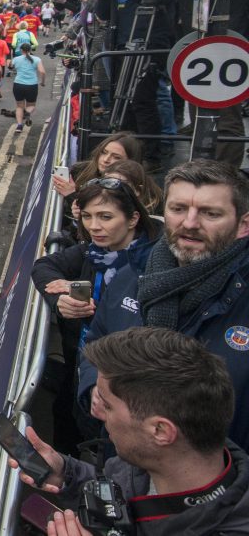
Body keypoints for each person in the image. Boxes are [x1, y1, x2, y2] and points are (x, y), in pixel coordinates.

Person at [76, 159, 249, 450]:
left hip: (220, 482)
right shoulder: (132, 274)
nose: (190, 224)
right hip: (124, 465)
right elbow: (96, 345)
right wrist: (93, 386)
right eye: (178, 209)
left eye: (210, 213)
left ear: (243, 224)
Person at [15, 328, 249, 535]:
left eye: (107, 405)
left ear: (160, 430)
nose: (99, 413)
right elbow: (115, 493)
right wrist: (66, 474)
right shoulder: (148, 461)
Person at [31, 178, 160, 451]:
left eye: (106, 217)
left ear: (133, 218)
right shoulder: (95, 251)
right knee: (67, 428)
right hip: (79, 368)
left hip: (121, 391)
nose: (94, 227)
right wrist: (60, 299)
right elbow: (44, 267)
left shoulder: (154, 266)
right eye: (88, 217)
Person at [11, 41, 45, 131]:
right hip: (31, 85)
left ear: (21, 50)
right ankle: (27, 113)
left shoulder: (16, 59)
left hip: (18, 84)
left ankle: (19, 125)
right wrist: (42, 82)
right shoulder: (37, 59)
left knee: (19, 106)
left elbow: (11, 66)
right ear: (30, 49)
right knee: (31, 105)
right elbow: (42, 72)